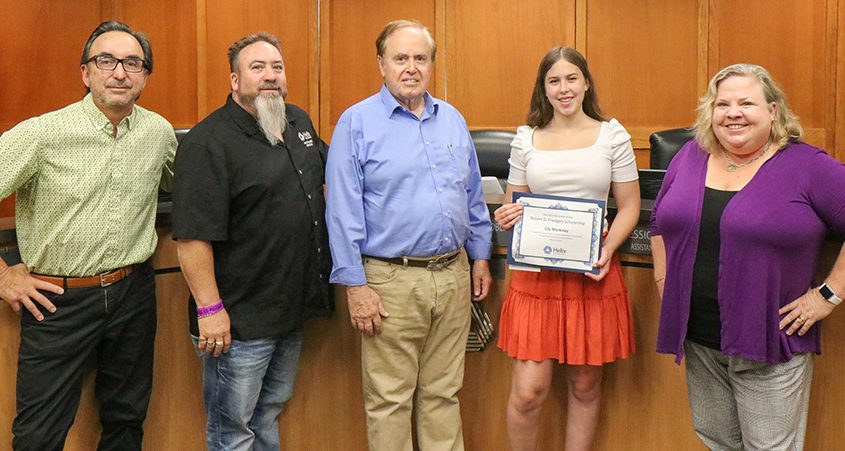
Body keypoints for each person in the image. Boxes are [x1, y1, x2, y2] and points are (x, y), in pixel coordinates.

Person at [0, 21, 176, 450]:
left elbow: (193, 190)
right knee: (39, 435)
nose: (119, 72)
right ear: (86, 73)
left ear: (144, 77)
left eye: (132, 63)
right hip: (57, 303)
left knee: (126, 420)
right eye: (106, 61)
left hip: (134, 293)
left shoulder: (159, 134)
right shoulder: (42, 135)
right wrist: (3, 275)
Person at [650, 63, 845, 450]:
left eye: (746, 103)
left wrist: (828, 295)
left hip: (770, 341)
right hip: (700, 338)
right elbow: (659, 220)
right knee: (718, 442)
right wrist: (663, 282)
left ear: (773, 110)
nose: (733, 113)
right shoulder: (691, 155)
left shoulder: (807, 165)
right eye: (722, 104)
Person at [325, 19, 492, 451]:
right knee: (389, 400)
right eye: (401, 58)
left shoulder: (452, 119)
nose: (411, 67)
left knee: (443, 394)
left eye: (420, 58)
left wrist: (480, 256)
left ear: (432, 64)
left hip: (453, 275)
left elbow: (472, 194)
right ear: (381, 63)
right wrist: (355, 286)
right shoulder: (356, 123)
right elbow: (341, 211)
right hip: (389, 282)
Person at [171, 32, 332, 450]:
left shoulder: (297, 121)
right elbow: (191, 237)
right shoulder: (208, 142)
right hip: (237, 322)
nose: (270, 76)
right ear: (235, 80)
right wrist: (210, 311)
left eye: (276, 67)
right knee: (232, 431)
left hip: (289, 310)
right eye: (257, 68)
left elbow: (338, 176)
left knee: (269, 413)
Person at [493, 47, 640, 451]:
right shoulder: (527, 138)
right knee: (528, 393)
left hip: (592, 273)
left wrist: (608, 249)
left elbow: (629, 207)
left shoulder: (612, 134)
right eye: (554, 81)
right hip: (535, 279)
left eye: (571, 78)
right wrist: (506, 217)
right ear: (544, 88)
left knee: (586, 385)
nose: (564, 89)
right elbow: (513, 204)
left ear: (586, 82)